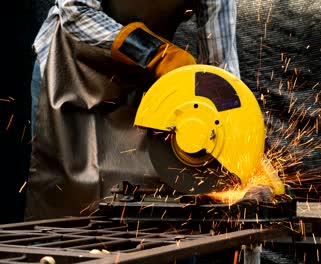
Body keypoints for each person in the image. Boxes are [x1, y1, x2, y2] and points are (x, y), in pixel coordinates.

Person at [26, 0, 240, 220]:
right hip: (72, 72)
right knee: (68, 199)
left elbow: (220, 67)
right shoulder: (156, 55)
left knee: (150, 205)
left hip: (144, 78)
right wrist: (156, 53)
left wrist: (236, 136)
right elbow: (74, 11)